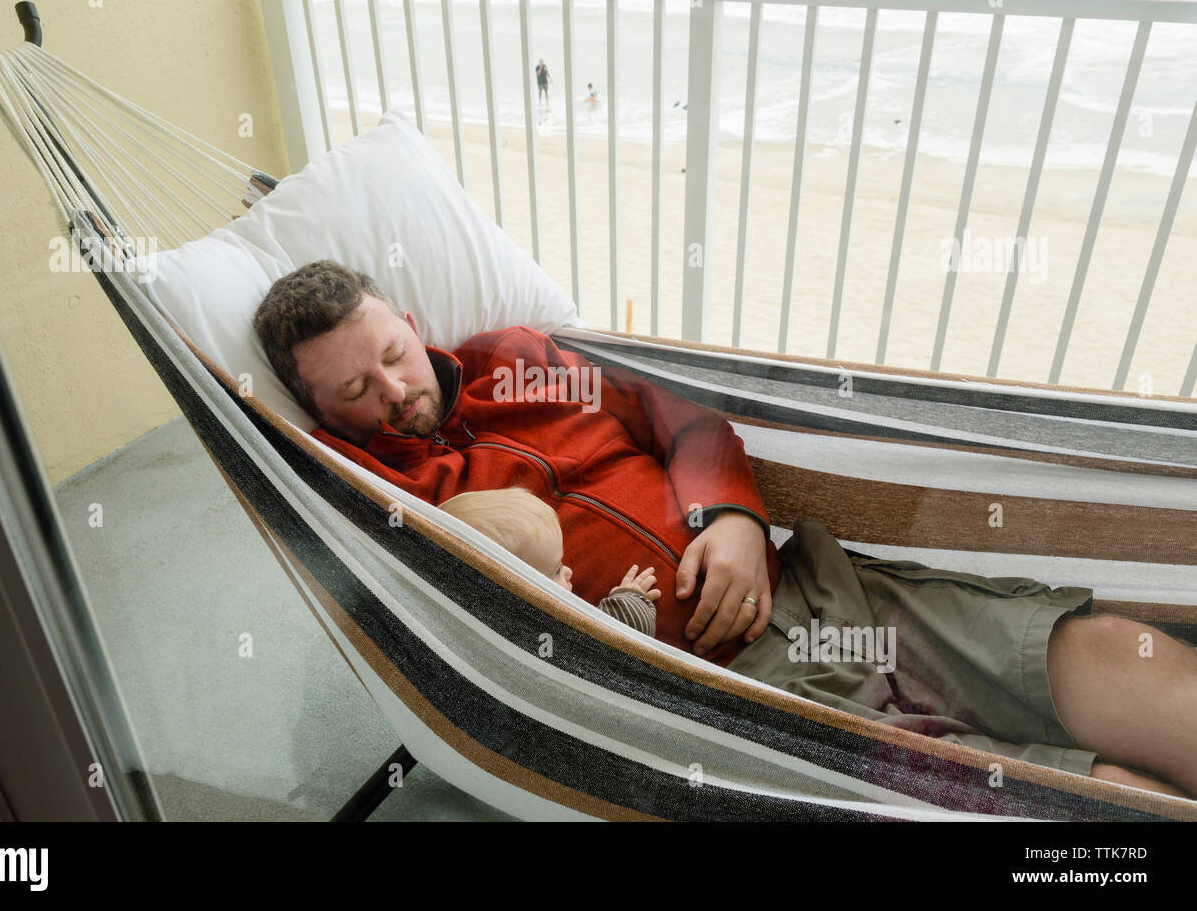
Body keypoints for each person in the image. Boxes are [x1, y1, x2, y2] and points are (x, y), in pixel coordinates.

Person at [253, 260, 1197, 798]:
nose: (396, 392)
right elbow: (501, 549)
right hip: (735, 701)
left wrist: (735, 516)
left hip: (816, 591)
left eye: (392, 355)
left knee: (1115, 654)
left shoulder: (518, 359)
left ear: (412, 324)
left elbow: (682, 418)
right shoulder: (372, 479)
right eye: (355, 392)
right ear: (323, 416)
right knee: (1091, 805)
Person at [439, 486, 659, 635]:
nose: (569, 571)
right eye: (556, 570)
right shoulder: (556, 637)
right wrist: (632, 598)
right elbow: (620, 634)